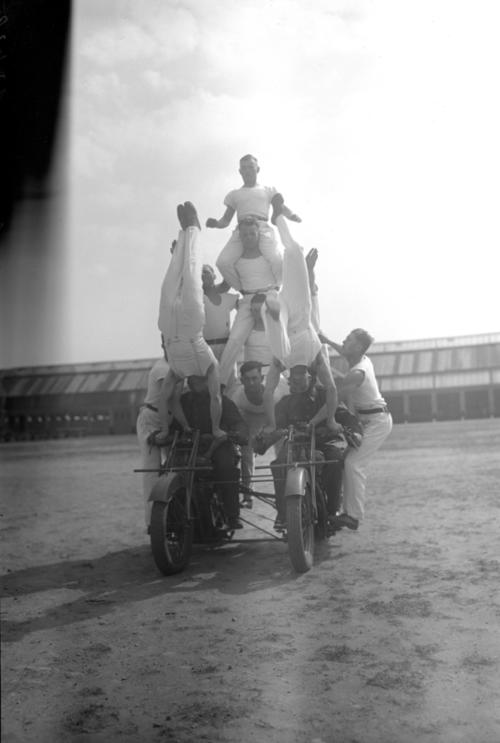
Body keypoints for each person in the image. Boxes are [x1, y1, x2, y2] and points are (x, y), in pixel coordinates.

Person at [261, 198, 341, 434]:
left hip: (283, 324)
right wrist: (331, 419)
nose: (297, 380)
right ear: (309, 379)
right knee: (295, 252)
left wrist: (271, 424)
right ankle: (278, 217)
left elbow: (268, 392)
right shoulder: (315, 358)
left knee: (279, 344)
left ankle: (271, 306)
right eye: (301, 382)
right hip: (299, 312)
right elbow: (332, 388)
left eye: (294, 384)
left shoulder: (281, 366)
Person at [258, 365, 362, 531]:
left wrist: (354, 432)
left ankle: (332, 510)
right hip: (296, 445)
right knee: (279, 465)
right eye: (293, 377)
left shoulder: (326, 396)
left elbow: (345, 417)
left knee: (335, 460)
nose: (296, 380)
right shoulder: (286, 403)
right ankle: (284, 513)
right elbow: (273, 427)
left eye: (301, 376)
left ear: (312, 378)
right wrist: (263, 440)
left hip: (325, 442)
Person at [157, 202, 224, 441]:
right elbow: (216, 398)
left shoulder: (176, 372)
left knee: (171, 278)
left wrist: (165, 430)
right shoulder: (210, 367)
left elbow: (165, 398)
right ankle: (192, 228)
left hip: (168, 328)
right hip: (191, 325)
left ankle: (183, 237)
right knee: (192, 271)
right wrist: (216, 428)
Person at [319, 328, 393, 531]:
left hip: (377, 421)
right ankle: (343, 511)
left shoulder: (357, 372)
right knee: (345, 462)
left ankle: (352, 516)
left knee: (353, 464)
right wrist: (325, 339)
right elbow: (343, 350)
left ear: (359, 347)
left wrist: (313, 421)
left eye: (349, 340)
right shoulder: (361, 358)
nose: (344, 341)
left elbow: (334, 401)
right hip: (369, 419)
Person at [207, 154, 301, 291]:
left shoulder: (267, 190)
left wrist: (292, 215)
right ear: (240, 172)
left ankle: (277, 285)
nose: (247, 171)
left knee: (275, 259)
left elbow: (281, 206)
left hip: (262, 227)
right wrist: (216, 223)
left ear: (258, 169)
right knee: (222, 262)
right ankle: (242, 289)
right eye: (243, 168)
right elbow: (226, 220)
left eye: (250, 167)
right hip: (242, 230)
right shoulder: (235, 194)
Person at [170, 374, 249, 530]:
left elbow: (239, 424)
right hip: (191, 447)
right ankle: (172, 515)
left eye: (201, 378)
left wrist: (238, 434)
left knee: (226, 467)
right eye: (193, 378)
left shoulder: (222, 401)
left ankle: (232, 515)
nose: (196, 382)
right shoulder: (183, 402)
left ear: (209, 379)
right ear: (189, 381)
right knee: (171, 469)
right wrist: (164, 435)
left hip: (219, 445)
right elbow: (174, 426)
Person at [217, 216, 284, 387]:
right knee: (234, 340)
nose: (248, 238)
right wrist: (242, 290)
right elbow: (224, 267)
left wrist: (275, 288)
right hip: (248, 299)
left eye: (252, 234)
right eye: (245, 235)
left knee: (281, 334)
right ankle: (220, 385)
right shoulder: (235, 260)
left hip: (270, 295)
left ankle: (287, 379)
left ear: (258, 234)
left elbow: (279, 269)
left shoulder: (268, 256)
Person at [229, 361, 288, 506]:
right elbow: (234, 421)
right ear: (241, 380)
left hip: (276, 413)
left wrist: (273, 431)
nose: (251, 383)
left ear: (262, 378)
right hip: (250, 416)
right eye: (247, 379)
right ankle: (247, 494)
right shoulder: (237, 396)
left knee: (283, 451)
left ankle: (288, 494)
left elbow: (290, 407)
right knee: (246, 452)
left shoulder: (279, 388)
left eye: (254, 378)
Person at [136, 354, 171, 530]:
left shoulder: (181, 363)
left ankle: (174, 514)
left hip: (170, 420)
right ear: (165, 346)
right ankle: (152, 524)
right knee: (151, 472)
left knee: (177, 467)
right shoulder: (162, 368)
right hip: (151, 419)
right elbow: (170, 398)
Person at [202, 264, 239, 362]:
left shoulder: (227, 297)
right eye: (200, 273)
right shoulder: (198, 299)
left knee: (229, 376)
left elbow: (227, 282)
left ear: (214, 276)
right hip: (206, 348)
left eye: (206, 272)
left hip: (226, 346)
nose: (203, 274)